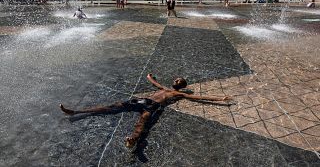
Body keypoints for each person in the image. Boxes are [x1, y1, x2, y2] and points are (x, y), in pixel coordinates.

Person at [59, 73, 231, 148]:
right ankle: (76, 112)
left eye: (178, 80)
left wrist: (219, 99)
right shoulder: (165, 87)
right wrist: (150, 77)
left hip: (151, 106)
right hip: (141, 100)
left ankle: (133, 139)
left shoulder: (178, 94)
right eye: (176, 79)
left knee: (143, 121)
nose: (175, 79)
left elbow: (198, 98)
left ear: (181, 85)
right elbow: (155, 84)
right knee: (112, 107)